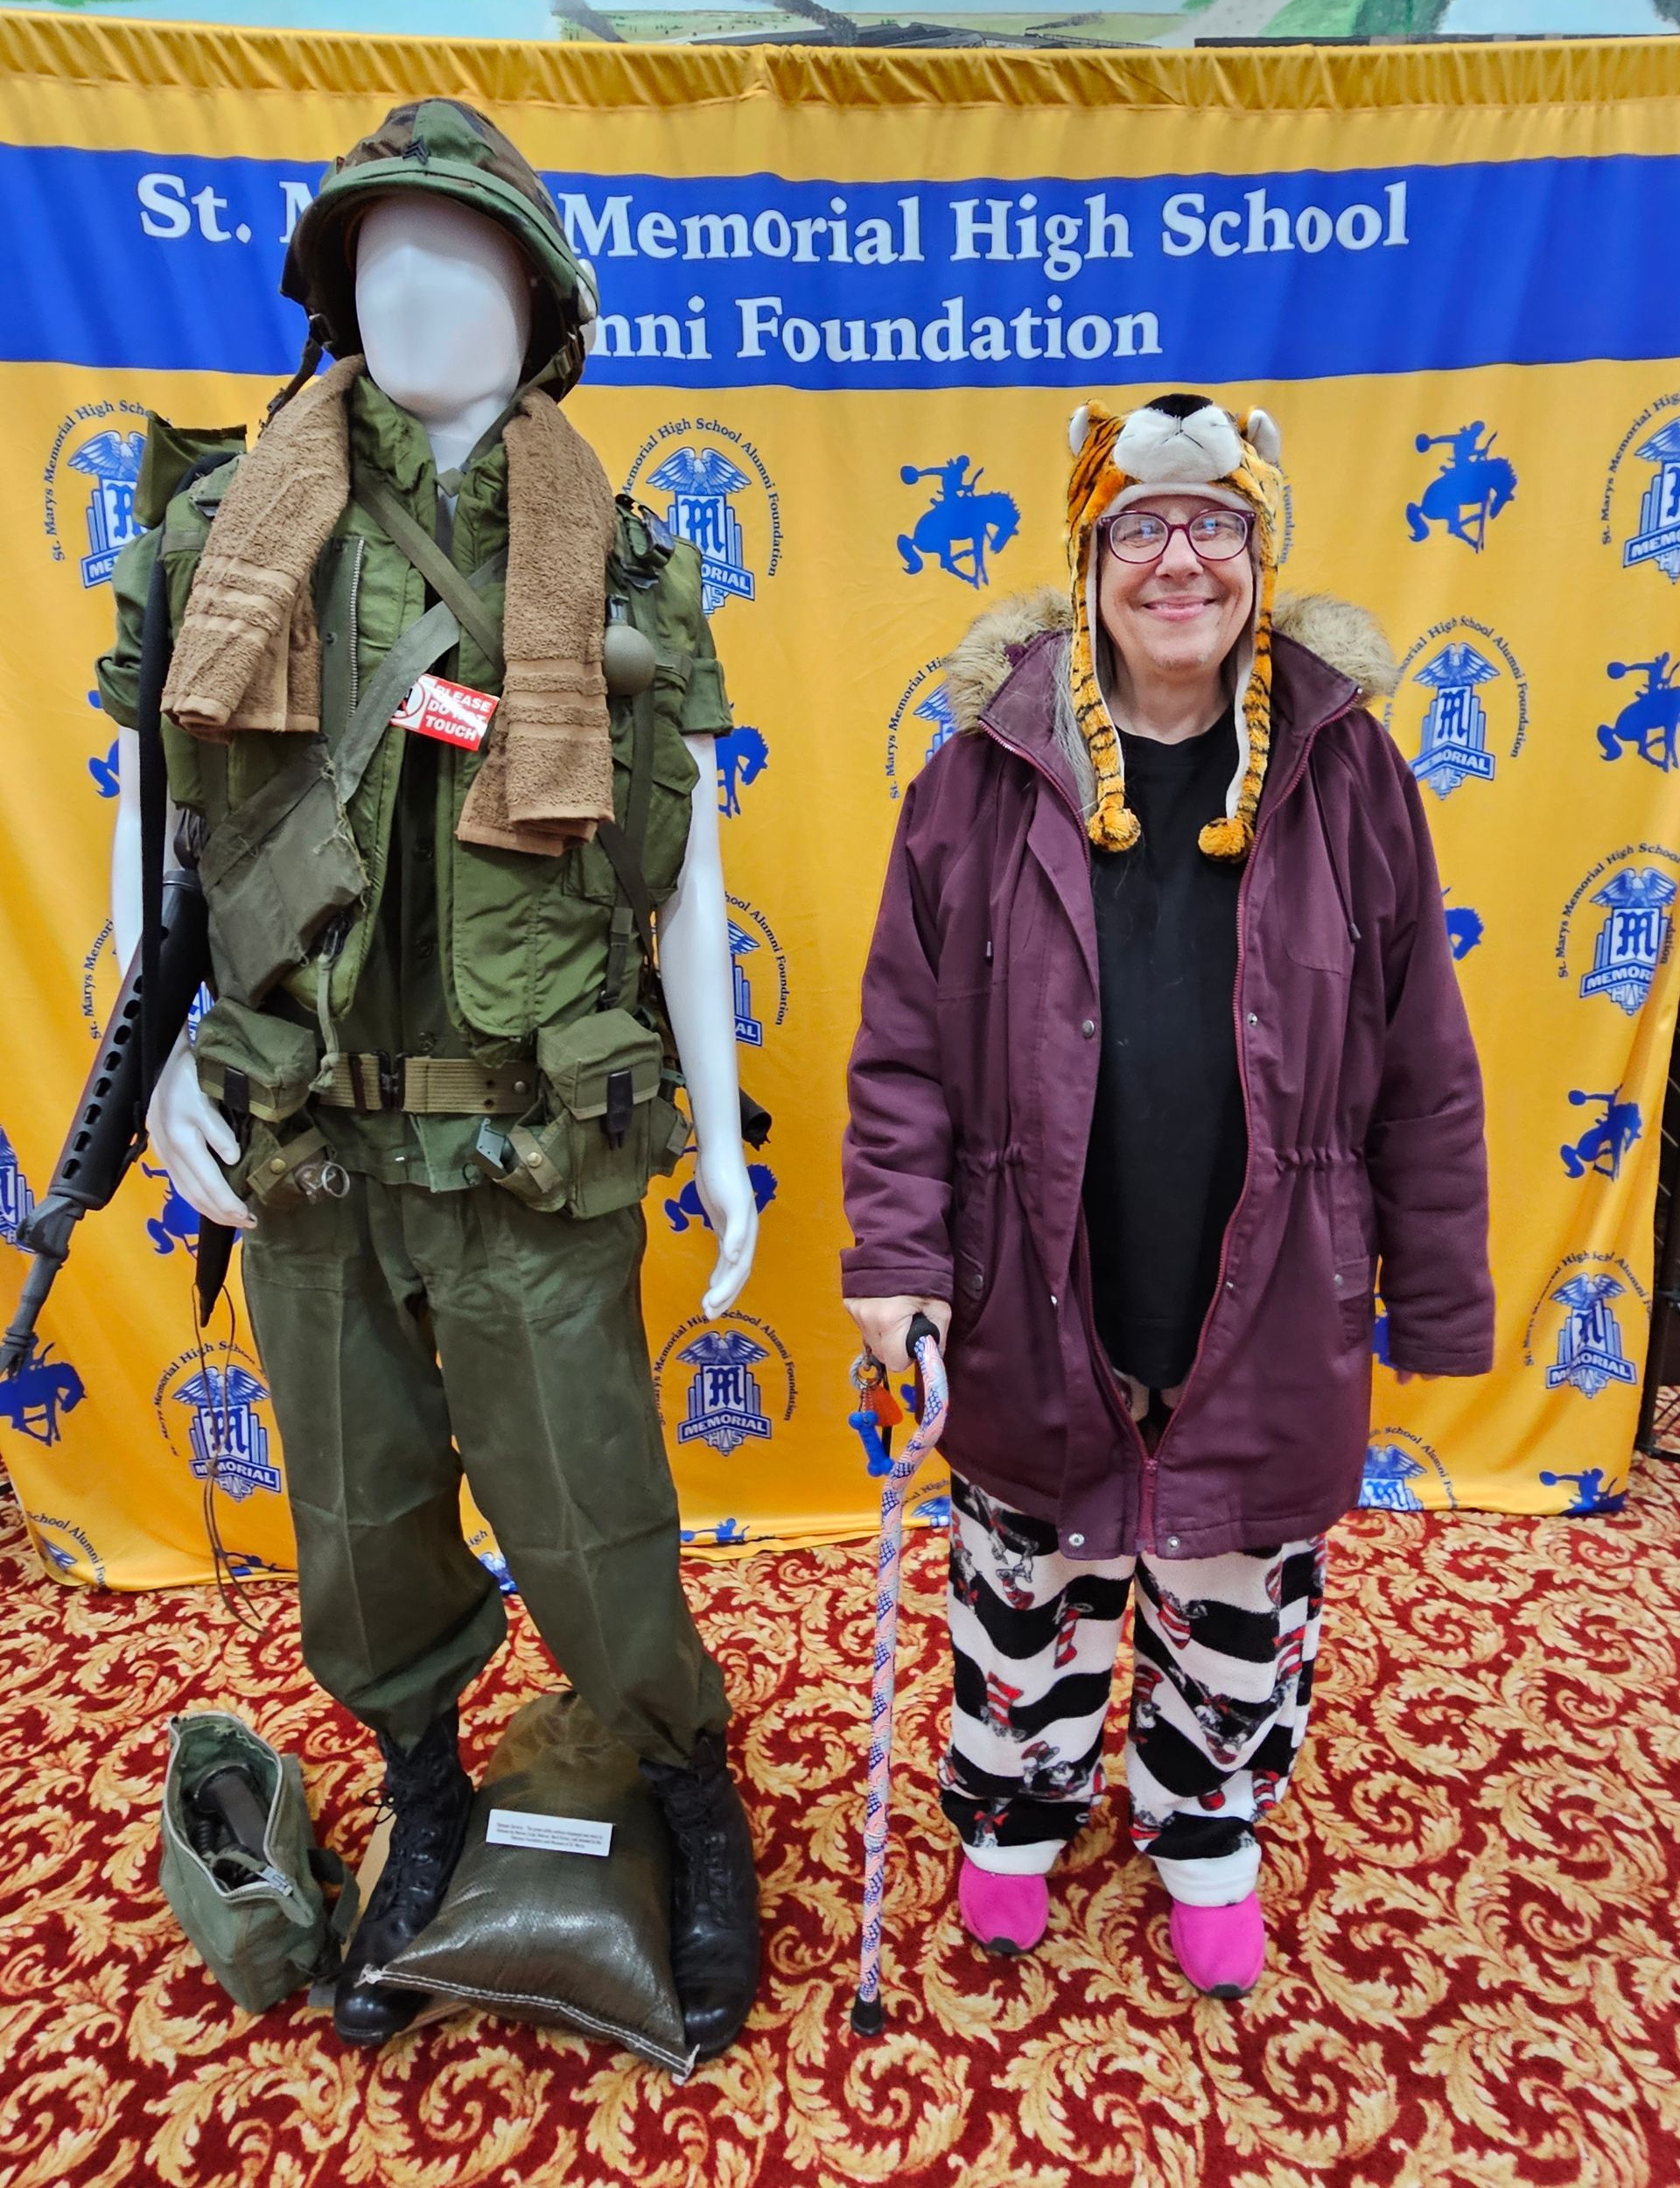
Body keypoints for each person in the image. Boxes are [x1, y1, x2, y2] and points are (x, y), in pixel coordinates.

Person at [95, 101, 760, 2054]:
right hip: (303, 1136)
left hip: (530, 1144)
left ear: (539, 307)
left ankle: (687, 1791)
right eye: (379, 255)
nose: (413, 289)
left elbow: (684, 864)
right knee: (359, 1523)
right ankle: (425, 1790)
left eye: (460, 256)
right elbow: (158, 830)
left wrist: (724, 1143)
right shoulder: (225, 537)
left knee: (594, 1517)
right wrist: (155, 1067)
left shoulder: (616, 557)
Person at [842, 391, 1493, 2000]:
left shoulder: (1350, 775)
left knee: (1234, 1601)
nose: (1179, 559)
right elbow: (904, 1051)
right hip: (1029, 1274)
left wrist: (1439, 1294)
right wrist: (896, 1258)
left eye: (1216, 525)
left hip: (1265, 1284)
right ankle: (1014, 1816)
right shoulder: (980, 777)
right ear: (1088, 559)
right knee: (1025, 1581)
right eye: (1140, 527)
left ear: (1263, 557)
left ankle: (1207, 1830)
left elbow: (1423, 1052)